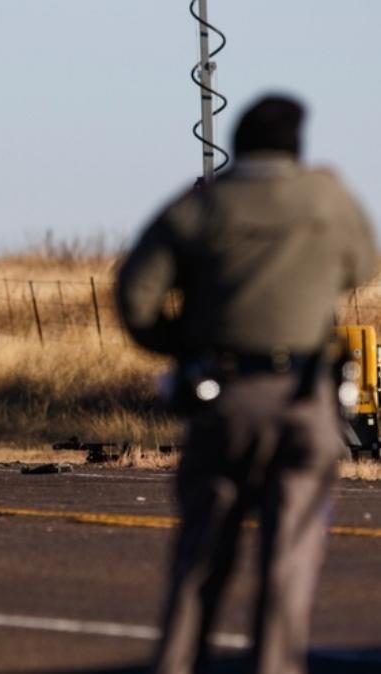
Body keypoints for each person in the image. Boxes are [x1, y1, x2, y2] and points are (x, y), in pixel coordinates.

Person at [116, 94, 377, 674]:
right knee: (288, 566)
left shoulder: (203, 205)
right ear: (297, 145)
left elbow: (135, 297)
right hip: (306, 398)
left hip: (225, 396)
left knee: (202, 559)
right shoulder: (327, 199)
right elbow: (363, 264)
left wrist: (184, 346)